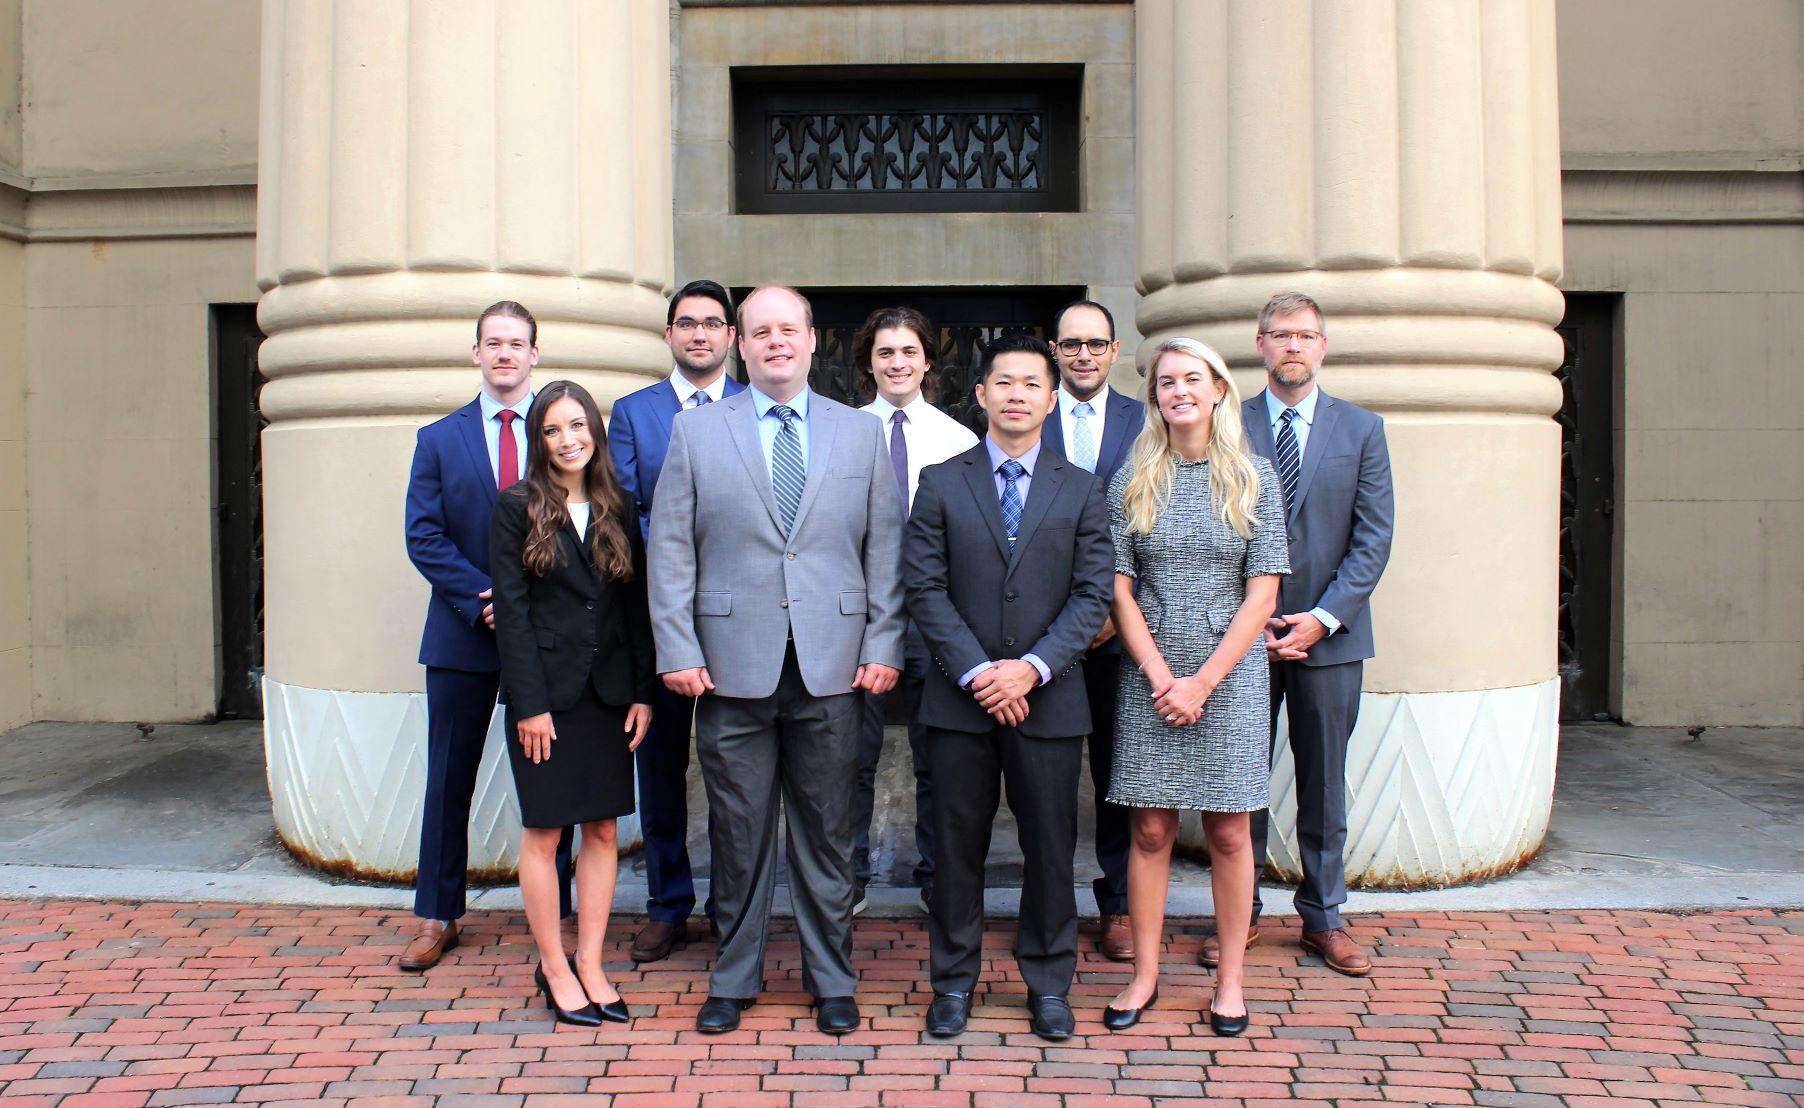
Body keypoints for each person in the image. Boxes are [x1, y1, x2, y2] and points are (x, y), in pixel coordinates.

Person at [648, 284, 905, 1036]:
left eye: (787, 330)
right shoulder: (696, 433)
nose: (775, 343)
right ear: (740, 343)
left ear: (813, 339)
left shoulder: (859, 434)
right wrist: (678, 648)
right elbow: (670, 552)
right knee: (738, 831)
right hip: (729, 668)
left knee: (827, 833)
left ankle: (832, 979)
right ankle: (735, 976)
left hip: (836, 666)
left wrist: (885, 642)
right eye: (759, 332)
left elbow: (884, 547)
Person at [904, 334, 1113, 1042]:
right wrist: (978, 671)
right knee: (955, 849)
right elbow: (924, 588)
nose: (1018, 394)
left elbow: (1092, 597)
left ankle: (1049, 982)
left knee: (1051, 849)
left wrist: (1032, 668)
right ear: (982, 394)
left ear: (1052, 401)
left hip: (1049, 699)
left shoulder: (1082, 488)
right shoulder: (941, 481)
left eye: (1032, 383)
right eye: (1005, 382)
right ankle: (953, 983)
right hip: (959, 702)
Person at [1100, 338, 1288, 1038]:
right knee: (1148, 828)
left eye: (1191, 379)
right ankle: (1144, 975)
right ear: (1155, 397)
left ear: (1217, 391)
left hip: (1229, 675)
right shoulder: (1133, 478)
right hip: (1149, 669)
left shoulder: (1253, 477)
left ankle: (1231, 982)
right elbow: (1119, 588)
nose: (1178, 390)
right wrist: (1158, 676)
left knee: (1230, 832)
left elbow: (1263, 592)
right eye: (1165, 381)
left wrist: (1203, 682)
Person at [1211, 291, 1393, 977]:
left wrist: (1321, 619)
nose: (1293, 346)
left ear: (1323, 346)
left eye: (1306, 335)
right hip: (1242, 637)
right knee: (1240, 782)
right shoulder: (1230, 423)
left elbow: (1373, 539)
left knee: (1323, 782)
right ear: (1259, 344)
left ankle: (1323, 916)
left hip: (1330, 638)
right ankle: (1241, 913)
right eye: (1280, 334)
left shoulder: (1362, 430)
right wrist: (1246, 619)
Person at [399, 301, 572, 972]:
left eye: (517, 343)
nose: (505, 353)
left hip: (545, 638)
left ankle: (551, 915)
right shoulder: (439, 440)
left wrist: (531, 605)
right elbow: (424, 535)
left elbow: (581, 529)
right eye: (493, 343)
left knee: (550, 781)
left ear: (535, 355)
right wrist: (485, 598)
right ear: (476, 354)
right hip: (464, 636)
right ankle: (437, 913)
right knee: (449, 777)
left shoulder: (560, 438)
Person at [490, 380, 655, 1026]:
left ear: (596, 432)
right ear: (540, 440)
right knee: (545, 830)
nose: (568, 440)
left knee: (605, 829)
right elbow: (512, 609)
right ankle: (554, 965)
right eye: (554, 429)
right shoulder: (516, 507)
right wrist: (529, 705)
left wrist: (643, 691)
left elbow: (634, 609)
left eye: (578, 426)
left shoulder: (620, 504)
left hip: (610, 695)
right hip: (546, 700)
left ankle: (590, 961)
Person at [607, 279, 747, 964]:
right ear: (669, 335)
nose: (699, 334)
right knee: (659, 771)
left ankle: (731, 906)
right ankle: (667, 904)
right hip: (658, 618)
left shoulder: (755, 410)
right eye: (686, 323)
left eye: (712, 324)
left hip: (735, 621)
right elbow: (623, 512)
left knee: (732, 771)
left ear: (731, 337)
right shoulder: (634, 414)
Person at [850, 306, 978, 914]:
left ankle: (937, 878)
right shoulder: (844, 431)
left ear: (928, 359)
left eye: (908, 352)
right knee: (852, 755)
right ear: (869, 362)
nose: (897, 363)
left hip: (935, 619)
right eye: (884, 353)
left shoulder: (959, 440)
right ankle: (846, 879)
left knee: (940, 756)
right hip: (860, 619)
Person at [1039, 299, 1144, 962]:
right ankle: (1045, 901)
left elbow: (1151, 523)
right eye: (1072, 343)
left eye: (1096, 344)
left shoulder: (1145, 420)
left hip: (1120, 630)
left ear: (1113, 351)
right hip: (1041, 631)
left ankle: (1119, 903)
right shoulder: (1026, 411)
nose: (1084, 354)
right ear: (1055, 349)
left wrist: (1112, 612)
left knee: (1115, 772)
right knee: (1042, 777)